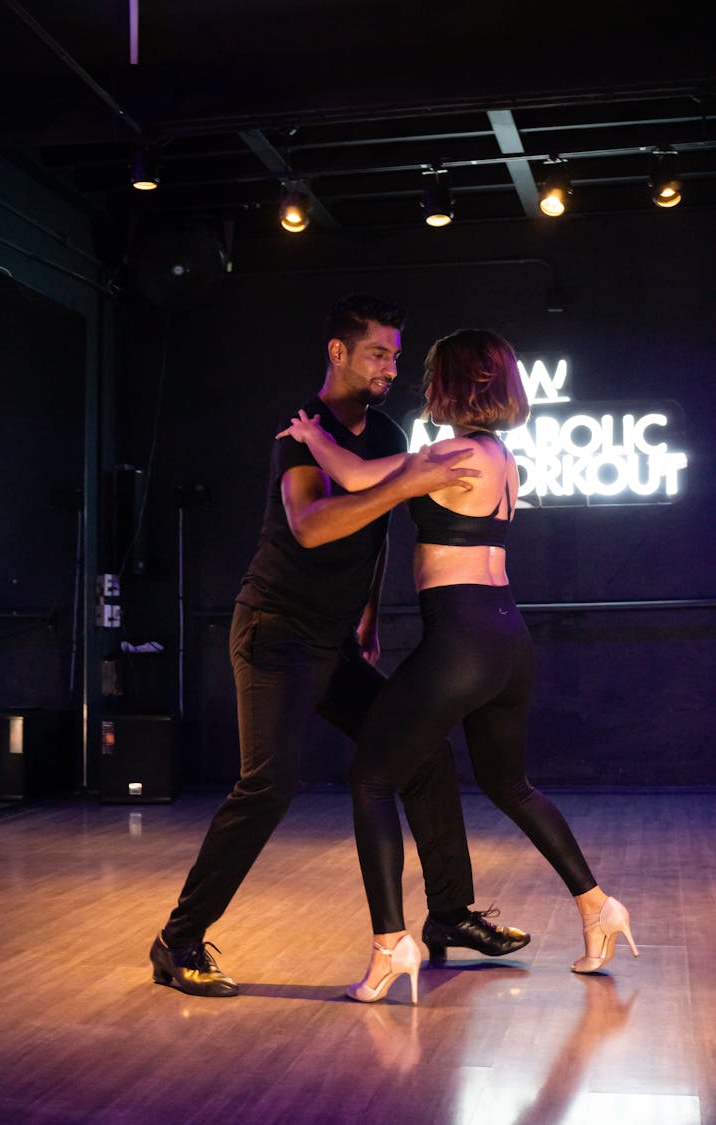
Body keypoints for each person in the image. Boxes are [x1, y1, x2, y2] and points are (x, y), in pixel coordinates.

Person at [150, 297, 529, 997]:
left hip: (332, 639)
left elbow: (379, 530)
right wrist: (403, 483)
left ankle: (449, 914)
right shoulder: (301, 435)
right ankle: (177, 940)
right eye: (378, 354)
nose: (391, 368)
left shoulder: (383, 429)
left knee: (422, 756)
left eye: (394, 354)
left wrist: (367, 614)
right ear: (338, 352)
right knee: (268, 787)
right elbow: (314, 525)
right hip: (275, 632)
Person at [278, 327, 638, 1005]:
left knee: (373, 777)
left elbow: (357, 482)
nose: (420, 380)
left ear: (456, 384)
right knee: (511, 784)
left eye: (432, 372)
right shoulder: (500, 455)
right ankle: (598, 907)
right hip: (508, 638)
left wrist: (313, 436)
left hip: (462, 640)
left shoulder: (454, 453)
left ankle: (391, 945)